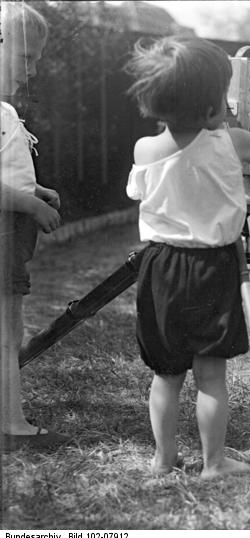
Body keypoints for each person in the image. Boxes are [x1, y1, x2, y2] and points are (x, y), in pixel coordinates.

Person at [124, 36, 250, 478]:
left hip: (161, 266)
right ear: (212, 110)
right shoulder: (234, 140)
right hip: (213, 266)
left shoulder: (144, 150)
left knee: (166, 374)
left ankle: (163, 459)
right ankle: (212, 463)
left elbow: (137, 192)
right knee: (210, 375)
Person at [1, 1, 70, 453]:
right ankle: (12, 426)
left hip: (10, 235)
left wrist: (35, 189)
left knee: (10, 329)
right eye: (26, 57)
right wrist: (27, 202)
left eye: (38, 59)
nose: (33, 68)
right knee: (7, 333)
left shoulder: (4, 110)